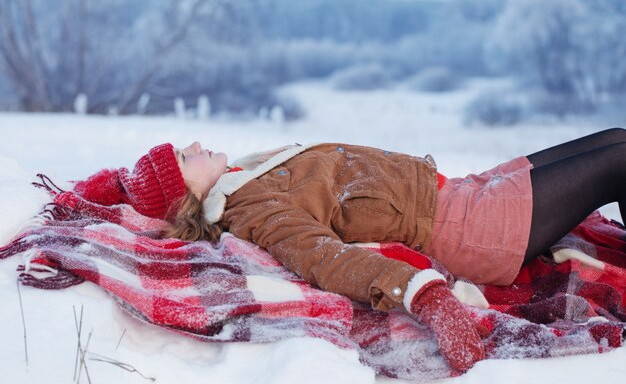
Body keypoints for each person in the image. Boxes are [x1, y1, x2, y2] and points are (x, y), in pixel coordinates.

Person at [70, 128, 626, 372]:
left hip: (464, 191)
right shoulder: (253, 209)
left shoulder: (243, 177)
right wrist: (425, 294)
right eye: (184, 158)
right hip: (472, 227)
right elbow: (325, 259)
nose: (194, 145)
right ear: (188, 195)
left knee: (617, 140)